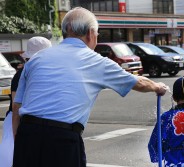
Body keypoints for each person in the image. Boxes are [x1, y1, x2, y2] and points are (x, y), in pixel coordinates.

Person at [12, 7, 169, 167]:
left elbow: (17, 107)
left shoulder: (36, 59)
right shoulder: (96, 61)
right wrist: (157, 87)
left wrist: (20, 142)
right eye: (97, 33)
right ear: (90, 33)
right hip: (62, 141)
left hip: (27, 136)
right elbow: (138, 82)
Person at [0, 36, 52, 167]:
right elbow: (16, 107)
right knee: (10, 159)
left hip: (31, 123)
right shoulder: (22, 74)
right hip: (17, 122)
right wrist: (15, 133)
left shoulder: (39, 72)